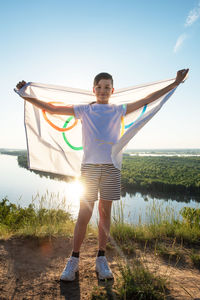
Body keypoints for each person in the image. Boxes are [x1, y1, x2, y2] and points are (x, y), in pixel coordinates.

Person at [16, 68, 189, 281]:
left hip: (111, 168)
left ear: (112, 90)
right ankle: (74, 260)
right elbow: (52, 109)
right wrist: (27, 94)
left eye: (107, 87)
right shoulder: (84, 110)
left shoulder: (119, 110)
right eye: (99, 87)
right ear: (94, 89)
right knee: (84, 214)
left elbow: (148, 98)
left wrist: (175, 83)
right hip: (89, 168)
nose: (103, 90)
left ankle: (101, 258)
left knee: (105, 213)